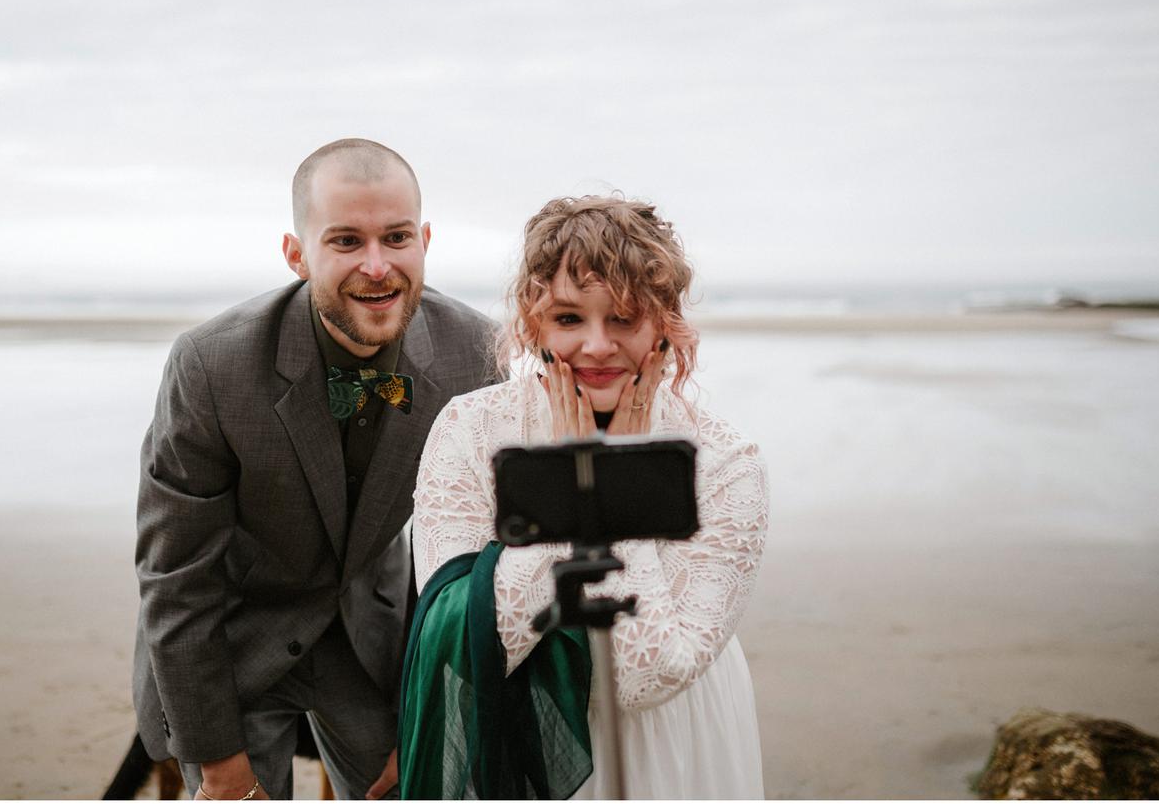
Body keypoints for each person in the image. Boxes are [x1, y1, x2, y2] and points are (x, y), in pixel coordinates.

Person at [133, 138, 498, 800]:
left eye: (396, 237)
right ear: (297, 254)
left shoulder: (476, 355)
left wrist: (431, 718)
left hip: (375, 637)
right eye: (346, 241)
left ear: (425, 241)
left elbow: (475, 563)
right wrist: (219, 765)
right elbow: (177, 575)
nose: (377, 266)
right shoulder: (210, 367)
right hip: (230, 638)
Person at [405, 194, 768, 799]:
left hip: (674, 739)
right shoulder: (469, 428)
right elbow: (460, 640)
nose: (597, 346)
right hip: (522, 725)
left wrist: (615, 480)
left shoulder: (726, 460)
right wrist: (580, 483)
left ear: (664, 324)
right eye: (569, 319)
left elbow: (648, 677)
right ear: (533, 324)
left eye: (624, 318)